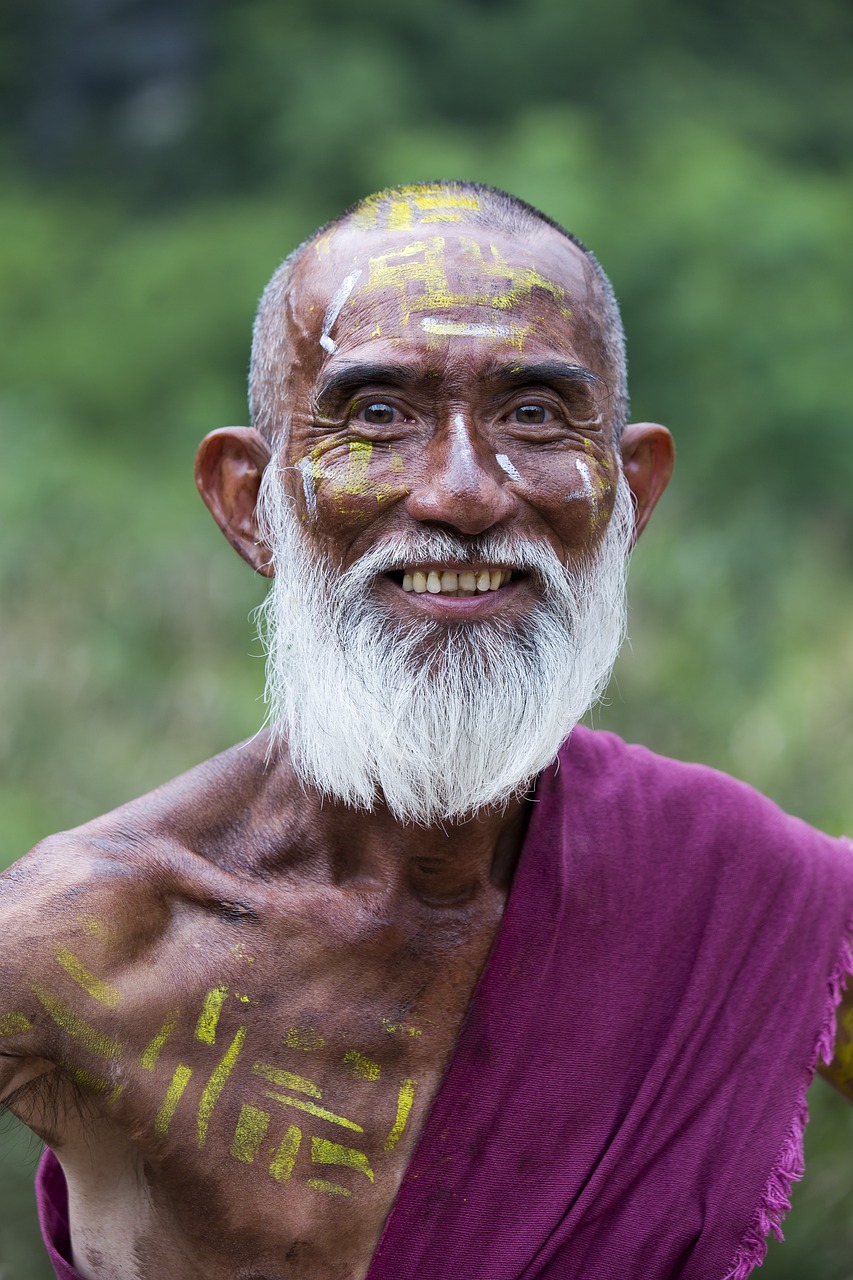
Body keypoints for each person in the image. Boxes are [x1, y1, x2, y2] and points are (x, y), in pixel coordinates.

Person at [1, 181, 852, 1280]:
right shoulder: (87, 940)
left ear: (630, 496)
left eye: (536, 415)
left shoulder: (747, 892)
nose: (461, 493)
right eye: (376, 415)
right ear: (249, 503)